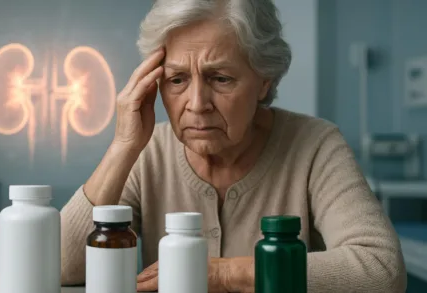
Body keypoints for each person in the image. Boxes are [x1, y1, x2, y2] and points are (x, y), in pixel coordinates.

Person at [60, 0, 407, 292]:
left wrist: (223, 272)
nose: (197, 103)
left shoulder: (316, 145)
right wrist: (123, 145)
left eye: (220, 78)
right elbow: (61, 266)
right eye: (177, 79)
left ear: (263, 81)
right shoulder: (148, 152)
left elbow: (382, 269)